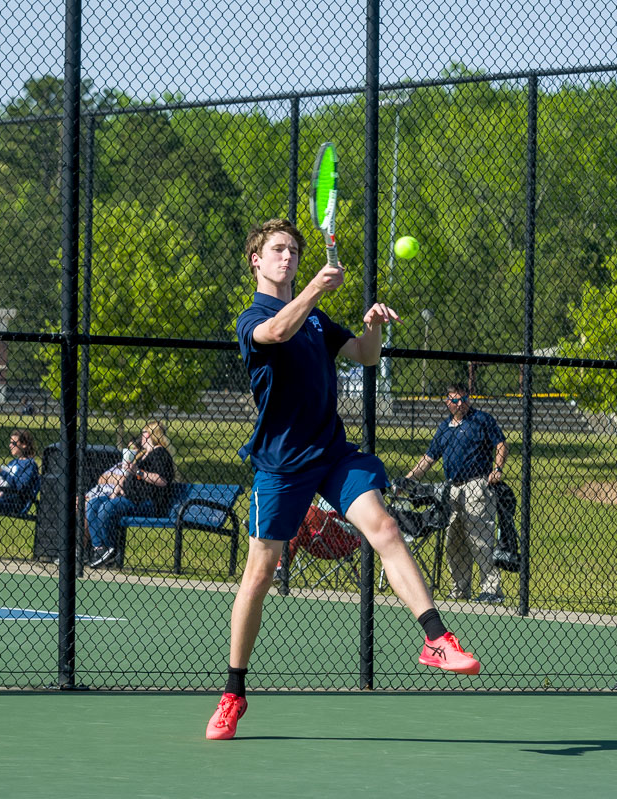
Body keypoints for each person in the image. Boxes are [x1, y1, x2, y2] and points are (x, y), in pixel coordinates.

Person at [205, 218, 481, 742]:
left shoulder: (316, 321)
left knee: (385, 529)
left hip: (333, 453)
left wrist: (373, 324)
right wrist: (312, 287)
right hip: (282, 465)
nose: (287, 257)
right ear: (256, 261)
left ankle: (436, 638)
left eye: (293, 250)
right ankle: (233, 693)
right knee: (259, 576)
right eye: (277, 250)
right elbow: (276, 333)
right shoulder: (255, 318)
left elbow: (364, 355)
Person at [404, 383, 508, 604]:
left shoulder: (481, 420)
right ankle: (460, 589)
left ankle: (491, 590)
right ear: (447, 402)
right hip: (452, 488)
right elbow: (429, 458)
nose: (461, 404)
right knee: (454, 539)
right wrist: (408, 479)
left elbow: (500, 444)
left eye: (464, 399)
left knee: (480, 539)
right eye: (455, 400)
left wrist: (497, 468)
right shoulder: (444, 428)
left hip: (476, 485)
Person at [85, 421, 179, 568]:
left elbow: (162, 480)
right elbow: (129, 477)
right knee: (93, 503)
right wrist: (118, 487)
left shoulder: (160, 453)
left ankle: (110, 549)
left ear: (150, 434)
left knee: (106, 508)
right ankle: (99, 549)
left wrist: (138, 472)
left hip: (146, 502)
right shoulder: (143, 455)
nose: (142, 436)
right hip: (128, 497)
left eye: (144, 432)